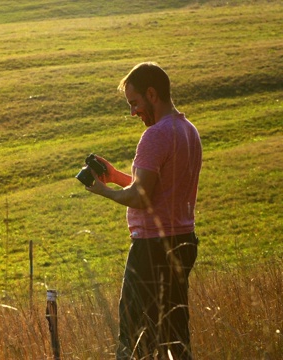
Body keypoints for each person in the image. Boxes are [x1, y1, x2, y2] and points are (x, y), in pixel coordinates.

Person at [85, 62, 202, 359]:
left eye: (134, 103)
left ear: (152, 94)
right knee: (174, 335)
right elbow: (156, 189)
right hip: (183, 242)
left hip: (152, 249)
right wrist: (115, 177)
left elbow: (140, 197)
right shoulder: (188, 131)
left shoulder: (155, 135)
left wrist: (103, 191)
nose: (133, 112)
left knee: (135, 336)